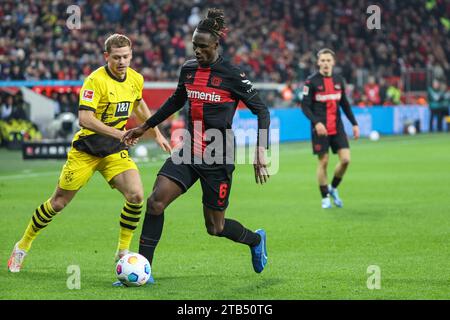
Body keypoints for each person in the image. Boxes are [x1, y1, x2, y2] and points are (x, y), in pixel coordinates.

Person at [122, 9, 270, 280]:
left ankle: (255, 241)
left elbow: (262, 110)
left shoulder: (232, 75)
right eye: (194, 46)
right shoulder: (189, 70)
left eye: (202, 47)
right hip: (189, 150)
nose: (197, 51)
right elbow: (176, 101)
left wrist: (260, 149)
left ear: (215, 45)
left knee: (215, 227)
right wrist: (145, 126)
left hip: (218, 156)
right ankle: (145, 271)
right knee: (155, 202)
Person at [7, 34, 171, 275]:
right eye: (116, 57)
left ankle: (122, 251)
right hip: (87, 150)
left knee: (136, 195)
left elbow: (138, 104)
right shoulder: (95, 81)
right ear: (106, 57)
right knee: (58, 203)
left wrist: (155, 132)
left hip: (114, 151)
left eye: (126, 56)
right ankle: (23, 245)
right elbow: (85, 119)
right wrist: (120, 134)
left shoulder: (136, 79)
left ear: (131, 55)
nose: (122, 61)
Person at [301, 48, 359, 209]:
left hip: (337, 127)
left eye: (328, 60)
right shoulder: (311, 82)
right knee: (324, 162)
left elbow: (345, 104)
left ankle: (332, 188)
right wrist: (317, 123)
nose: (326, 63)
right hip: (320, 128)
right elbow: (304, 107)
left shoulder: (339, 80)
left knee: (346, 160)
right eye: (323, 60)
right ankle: (324, 197)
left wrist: (354, 124)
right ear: (318, 62)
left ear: (333, 62)